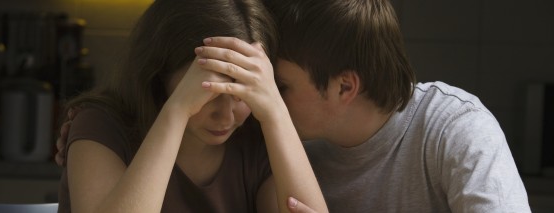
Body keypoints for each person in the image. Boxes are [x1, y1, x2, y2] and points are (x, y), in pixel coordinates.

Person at [194, 0, 532, 212]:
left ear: (345, 87)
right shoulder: (269, 143)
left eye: (280, 86)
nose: (264, 99)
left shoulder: (456, 128)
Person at [56, 0, 328, 212]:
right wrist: (175, 111)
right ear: (160, 72)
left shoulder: (257, 142)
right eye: (206, 93)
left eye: (241, 93)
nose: (224, 117)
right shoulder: (100, 126)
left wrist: (275, 113)